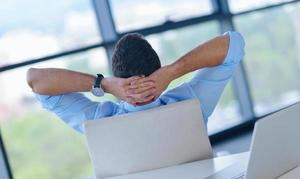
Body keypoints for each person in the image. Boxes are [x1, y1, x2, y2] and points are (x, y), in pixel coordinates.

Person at [27, 31, 245, 133]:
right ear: (157, 72)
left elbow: (36, 81)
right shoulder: (191, 101)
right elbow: (233, 43)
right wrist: (171, 72)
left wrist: (102, 84)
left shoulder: (98, 121)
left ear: (118, 81)